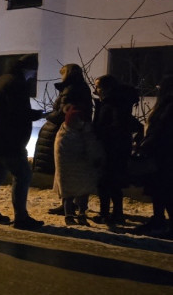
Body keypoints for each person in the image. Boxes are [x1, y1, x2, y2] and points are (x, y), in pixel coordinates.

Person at [0, 54, 46, 230]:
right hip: (9, 138)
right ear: (28, 69)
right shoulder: (16, 84)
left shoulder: (2, 80)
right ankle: (21, 218)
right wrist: (40, 114)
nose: (33, 75)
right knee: (23, 175)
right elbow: (19, 112)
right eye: (33, 71)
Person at [35, 64, 93, 215]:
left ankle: (69, 205)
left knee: (65, 172)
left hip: (67, 134)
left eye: (62, 74)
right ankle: (72, 204)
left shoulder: (70, 90)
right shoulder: (82, 88)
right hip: (77, 133)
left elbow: (62, 113)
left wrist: (46, 115)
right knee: (71, 172)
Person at [92, 75, 143, 224]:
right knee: (112, 182)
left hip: (111, 148)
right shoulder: (118, 102)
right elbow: (133, 125)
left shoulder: (113, 103)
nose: (96, 90)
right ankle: (114, 213)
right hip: (118, 147)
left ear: (107, 88)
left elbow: (117, 126)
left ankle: (108, 214)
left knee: (106, 182)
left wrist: (100, 131)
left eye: (98, 87)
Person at [52, 94, 103, 225]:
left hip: (66, 169)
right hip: (82, 168)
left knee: (68, 192)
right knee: (82, 192)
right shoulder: (85, 132)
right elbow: (91, 147)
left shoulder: (62, 131)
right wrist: (96, 159)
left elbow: (58, 151)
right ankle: (81, 214)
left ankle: (69, 215)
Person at [137, 75, 173, 236]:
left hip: (164, 155)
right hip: (160, 154)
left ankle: (165, 224)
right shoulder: (166, 105)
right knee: (159, 191)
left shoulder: (168, 106)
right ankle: (158, 220)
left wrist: (147, 144)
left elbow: (161, 129)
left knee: (164, 190)